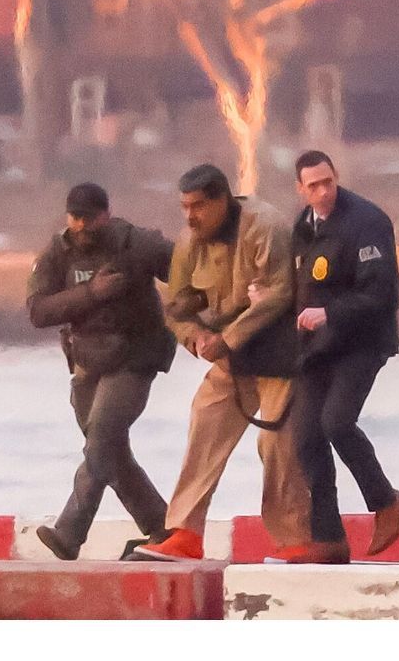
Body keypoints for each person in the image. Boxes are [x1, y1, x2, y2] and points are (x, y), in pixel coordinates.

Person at [135, 164, 311, 561]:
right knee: (205, 421)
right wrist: (195, 338)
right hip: (230, 360)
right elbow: (174, 306)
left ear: (221, 200)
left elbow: (279, 293)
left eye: (197, 206)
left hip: (280, 353)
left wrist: (226, 338)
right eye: (184, 207)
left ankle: (294, 539)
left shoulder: (265, 226)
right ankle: (185, 533)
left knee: (277, 444)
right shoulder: (190, 241)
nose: (190, 216)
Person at [27, 182, 175, 560]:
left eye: (88, 218)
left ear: (105, 215)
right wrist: (92, 293)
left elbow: (186, 268)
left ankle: (69, 533)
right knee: (112, 455)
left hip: (134, 358)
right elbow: (38, 311)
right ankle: (163, 529)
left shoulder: (133, 243)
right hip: (88, 361)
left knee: (102, 439)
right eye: (74, 217)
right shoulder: (58, 253)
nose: (80, 225)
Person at [286, 150, 399, 564]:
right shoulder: (304, 226)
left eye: (328, 181)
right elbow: (302, 281)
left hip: (362, 340)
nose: (323, 191)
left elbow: (382, 294)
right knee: (306, 438)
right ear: (301, 190)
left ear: (336, 177)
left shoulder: (367, 221)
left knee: (337, 422)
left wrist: (329, 313)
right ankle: (328, 540)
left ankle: (386, 502)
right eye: (314, 186)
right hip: (318, 348)